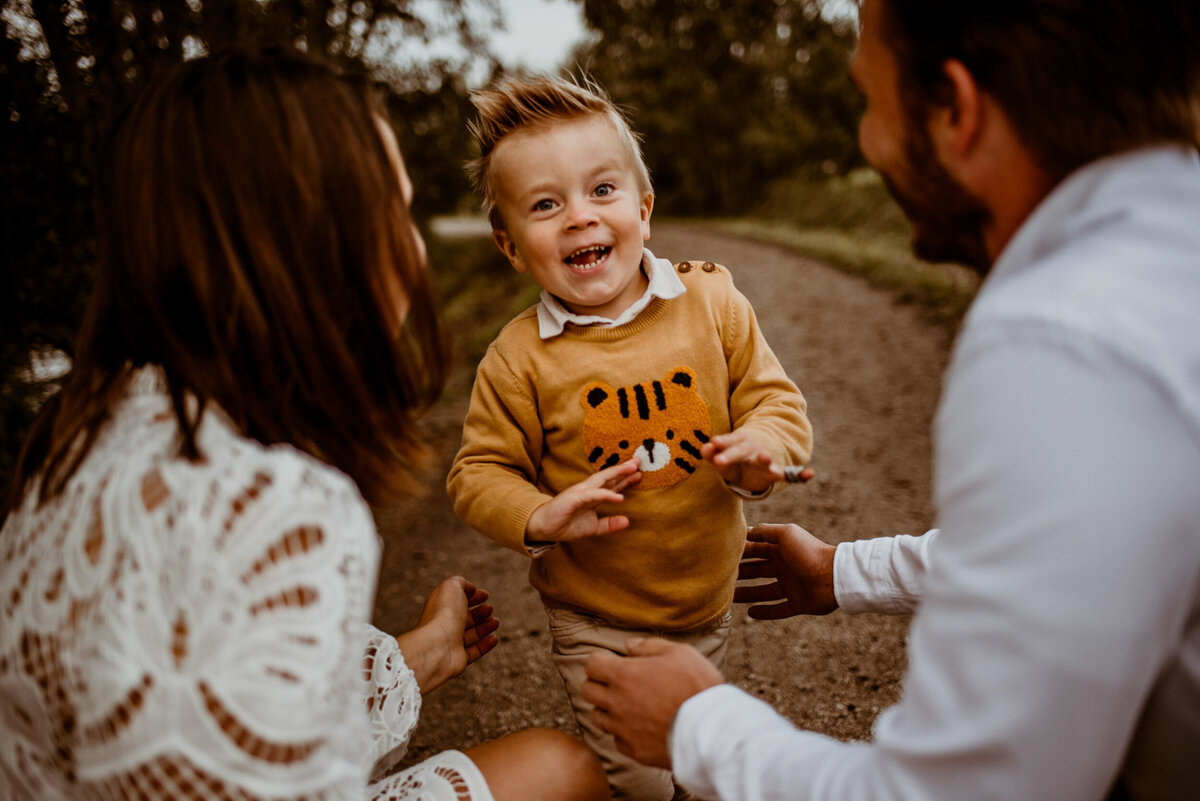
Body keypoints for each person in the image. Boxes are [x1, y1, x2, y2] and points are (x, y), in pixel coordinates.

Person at [581, 0, 1200, 799]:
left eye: (869, 101)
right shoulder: (1163, 256)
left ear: (956, 110)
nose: (868, 140)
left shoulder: (1059, 336)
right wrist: (845, 571)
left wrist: (698, 722)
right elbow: (1077, 559)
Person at [0, 48, 609, 801]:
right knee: (563, 769)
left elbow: (211, 698)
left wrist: (416, 654)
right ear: (313, 244)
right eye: (394, 209)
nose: (414, 249)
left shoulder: (84, 431)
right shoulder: (274, 499)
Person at [446, 75, 813, 799]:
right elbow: (477, 470)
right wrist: (536, 512)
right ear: (510, 244)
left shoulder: (711, 300)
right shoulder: (519, 358)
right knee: (637, 780)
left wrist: (761, 452)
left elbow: (775, 400)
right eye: (546, 205)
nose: (579, 218)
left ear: (643, 210)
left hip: (704, 598)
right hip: (593, 615)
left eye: (602, 191)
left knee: (699, 755)